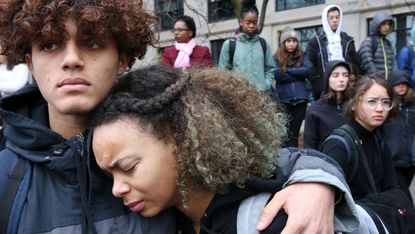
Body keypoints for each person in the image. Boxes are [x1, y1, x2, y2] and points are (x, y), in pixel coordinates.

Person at [0, 0, 358, 233]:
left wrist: (315, 182)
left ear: (124, 57)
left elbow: (265, 161)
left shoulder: (170, 138)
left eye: (93, 42)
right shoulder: (6, 178)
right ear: (29, 61)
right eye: (50, 44)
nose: (71, 58)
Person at [91, 65, 357, 233]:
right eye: (109, 176)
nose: (117, 189)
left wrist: (319, 182)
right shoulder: (171, 220)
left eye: (128, 167)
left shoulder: (275, 221)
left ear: (180, 140)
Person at [321, 75, 415, 233]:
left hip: (377, 221)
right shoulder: (339, 144)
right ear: (354, 104)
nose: (380, 108)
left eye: (386, 102)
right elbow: (329, 202)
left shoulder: (378, 138)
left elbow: (393, 188)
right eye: (372, 101)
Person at [306, 4, 359, 100]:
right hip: (325, 89)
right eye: (331, 18)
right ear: (326, 20)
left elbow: (356, 63)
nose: (335, 20)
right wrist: (319, 84)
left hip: (346, 87)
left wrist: (351, 79)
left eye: (337, 17)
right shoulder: (315, 42)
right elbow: (309, 66)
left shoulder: (347, 40)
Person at [218, 0, 274, 91]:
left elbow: (270, 69)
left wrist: (265, 85)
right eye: (248, 22)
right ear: (241, 22)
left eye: (255, 22)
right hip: (239, 98)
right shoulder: (229, 45)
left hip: (261, 96)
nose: (251, 26)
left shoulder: (263, 44)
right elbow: (222, 73)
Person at [273, 26, 310, 147]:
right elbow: (278, 75)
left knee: (294, 134)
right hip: (284, 100)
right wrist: (298, 73)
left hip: (300, 100)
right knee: (285, 135)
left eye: (294, 41)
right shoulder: (276, 57)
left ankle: (294, 159)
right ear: (284, 43)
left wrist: (288, 70)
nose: (292, 44)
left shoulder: (303, 55)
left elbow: (307, 71)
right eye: (289, 41)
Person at [304, 60, 350, 149]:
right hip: (324, 160)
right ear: (327, 79)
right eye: (336, 75)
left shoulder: (354, 107)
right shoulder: (315, 110)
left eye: (345, 75)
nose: (341, 79)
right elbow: (309, 145)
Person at [383, 70, 415, 200]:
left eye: (404, 83)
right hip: (393, 160)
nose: (401, 86)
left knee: (403, 192)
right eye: (397, 84)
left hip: (411, 161)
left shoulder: (413, 107)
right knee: (404, 196)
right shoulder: (386, 106)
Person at [358, 12, 396, 80]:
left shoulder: (388, 43)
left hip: (388, 84)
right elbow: (367, 63)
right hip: (373, 82)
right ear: (377, 25)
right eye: (383, 24)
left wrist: (394, 80)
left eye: (388, 24)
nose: (386, 27)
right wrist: (379, 79)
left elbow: (394, 64)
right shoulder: (368, 41)